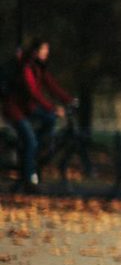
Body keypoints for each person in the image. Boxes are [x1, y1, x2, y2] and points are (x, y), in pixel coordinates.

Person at [3, 39, 75, 191]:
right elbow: (33, 92)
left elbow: (51, 85)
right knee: (31, 141)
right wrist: (52, 107)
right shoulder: (26, 67)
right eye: (44, 49)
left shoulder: (39, 67)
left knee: (50, 120)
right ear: (36, 51)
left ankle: (32, 155)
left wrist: (69, 99)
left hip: (27, 108)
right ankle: (29, 180)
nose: (46, 53)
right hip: (15, 110)